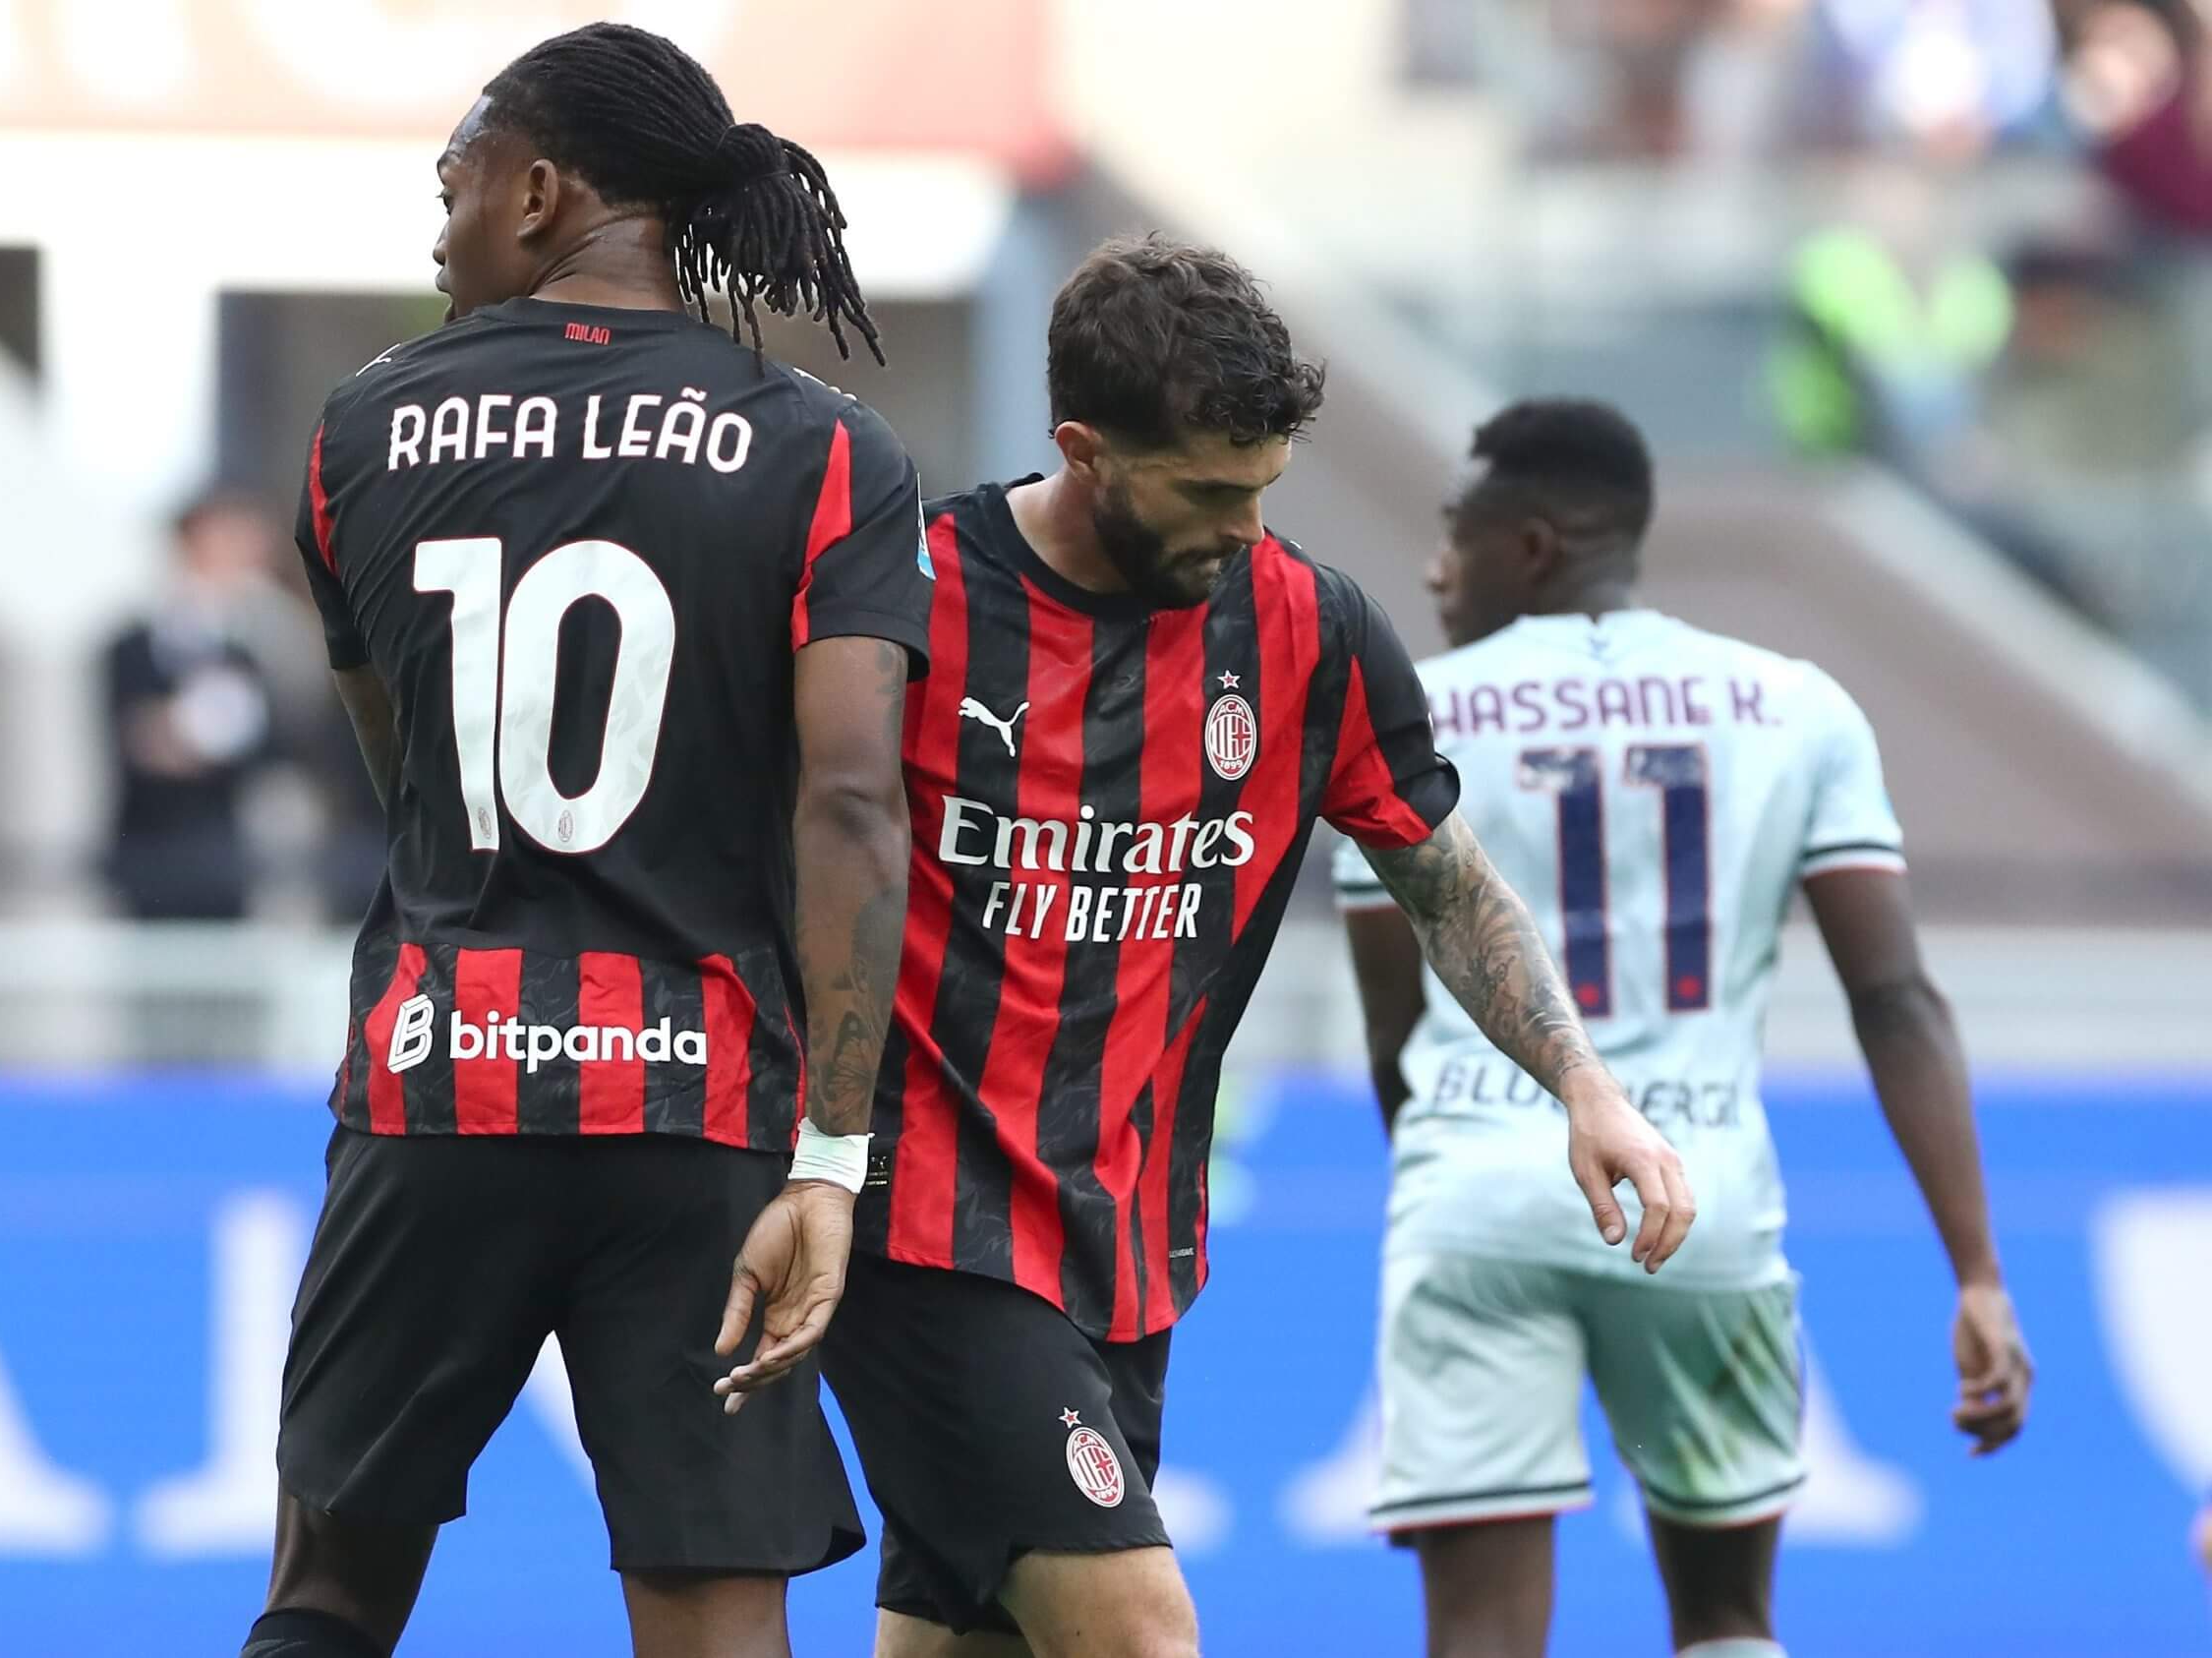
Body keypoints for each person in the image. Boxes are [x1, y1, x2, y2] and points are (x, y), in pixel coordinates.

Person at [803, 236, 1695, 1658]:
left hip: (1128, 1244)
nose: (1244, 522)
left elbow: (1447, 885)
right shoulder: (910, 597)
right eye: (1210, 491)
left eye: (1264, 486)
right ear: (1083, 450)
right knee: (1142, 1632)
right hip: (925, 1231)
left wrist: (1585, 1084)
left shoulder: (1308, 626)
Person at [246, 24, 934, 1658]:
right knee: (708, 1612)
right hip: (696, 1114)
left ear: (544, 190)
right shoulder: (827, 448)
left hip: (437, 1083)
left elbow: (405, 777)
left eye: (456, 181)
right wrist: (833, 1160)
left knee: (329, 1587)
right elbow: (850, 804)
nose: (440, 226)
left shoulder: (356, 436)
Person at [1333, 399, 2034, 1658]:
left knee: (1481, 1635)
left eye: (1457, 534)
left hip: (1479, 1193)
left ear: (1532, 546)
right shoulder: (1793, 704)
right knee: (1724, 1619)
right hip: (1699, 1195)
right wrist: (1976, 1272)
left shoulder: (1411, 715)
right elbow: (1895, 999)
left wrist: (1452, 1171)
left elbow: (1394, 1035)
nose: (1434, 567)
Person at [102, 489, 287, 920]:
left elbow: (277, 748)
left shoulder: (252, 647)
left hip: (222, 859)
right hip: (147, 855)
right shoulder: (129, 646)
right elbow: (128, 740)